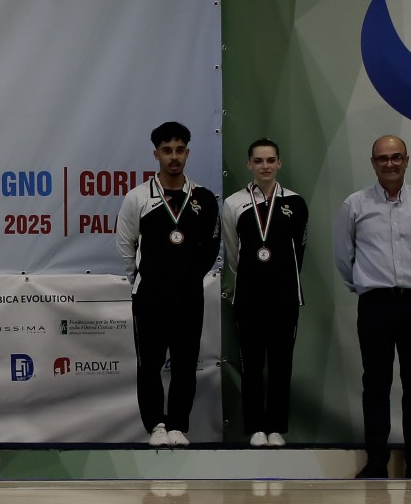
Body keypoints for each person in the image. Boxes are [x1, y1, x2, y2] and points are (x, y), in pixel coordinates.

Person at [333, 135, 411, 479]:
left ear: (407, 160)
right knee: (375, 384)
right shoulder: (355, 205)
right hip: (375, 305)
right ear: (373, 163)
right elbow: (343, 256)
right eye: (382, 158)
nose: (390, 164)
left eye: (396, 157)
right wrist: (364, 286)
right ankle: (376, 463)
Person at [117, 121, 221, 448]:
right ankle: (156, 426)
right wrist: (143, 278)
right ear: (156, 155)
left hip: (189, 296)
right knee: (148, 365)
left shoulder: (204, 198)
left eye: (179, 150)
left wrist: (189, 278)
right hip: (149, 296)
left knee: (185, 364)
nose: (173, 157)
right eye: (167, 151)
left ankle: (177, 425)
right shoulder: (138, 198)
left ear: (187, 153)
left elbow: (212, 246)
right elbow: (125, 245)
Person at [220, 138, 309, 448]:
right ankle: (256, 427)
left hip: (286, 298)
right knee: (252, 366)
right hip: (249, 299)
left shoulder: (295, 203)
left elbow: (299, 251)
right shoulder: (234, 203)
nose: (265, 166)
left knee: (282, 365)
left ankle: (276, 428)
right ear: (249, 164)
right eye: (258, 160)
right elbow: (233, 254)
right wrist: (253, 275)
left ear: (279, 163)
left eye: (270, 160)